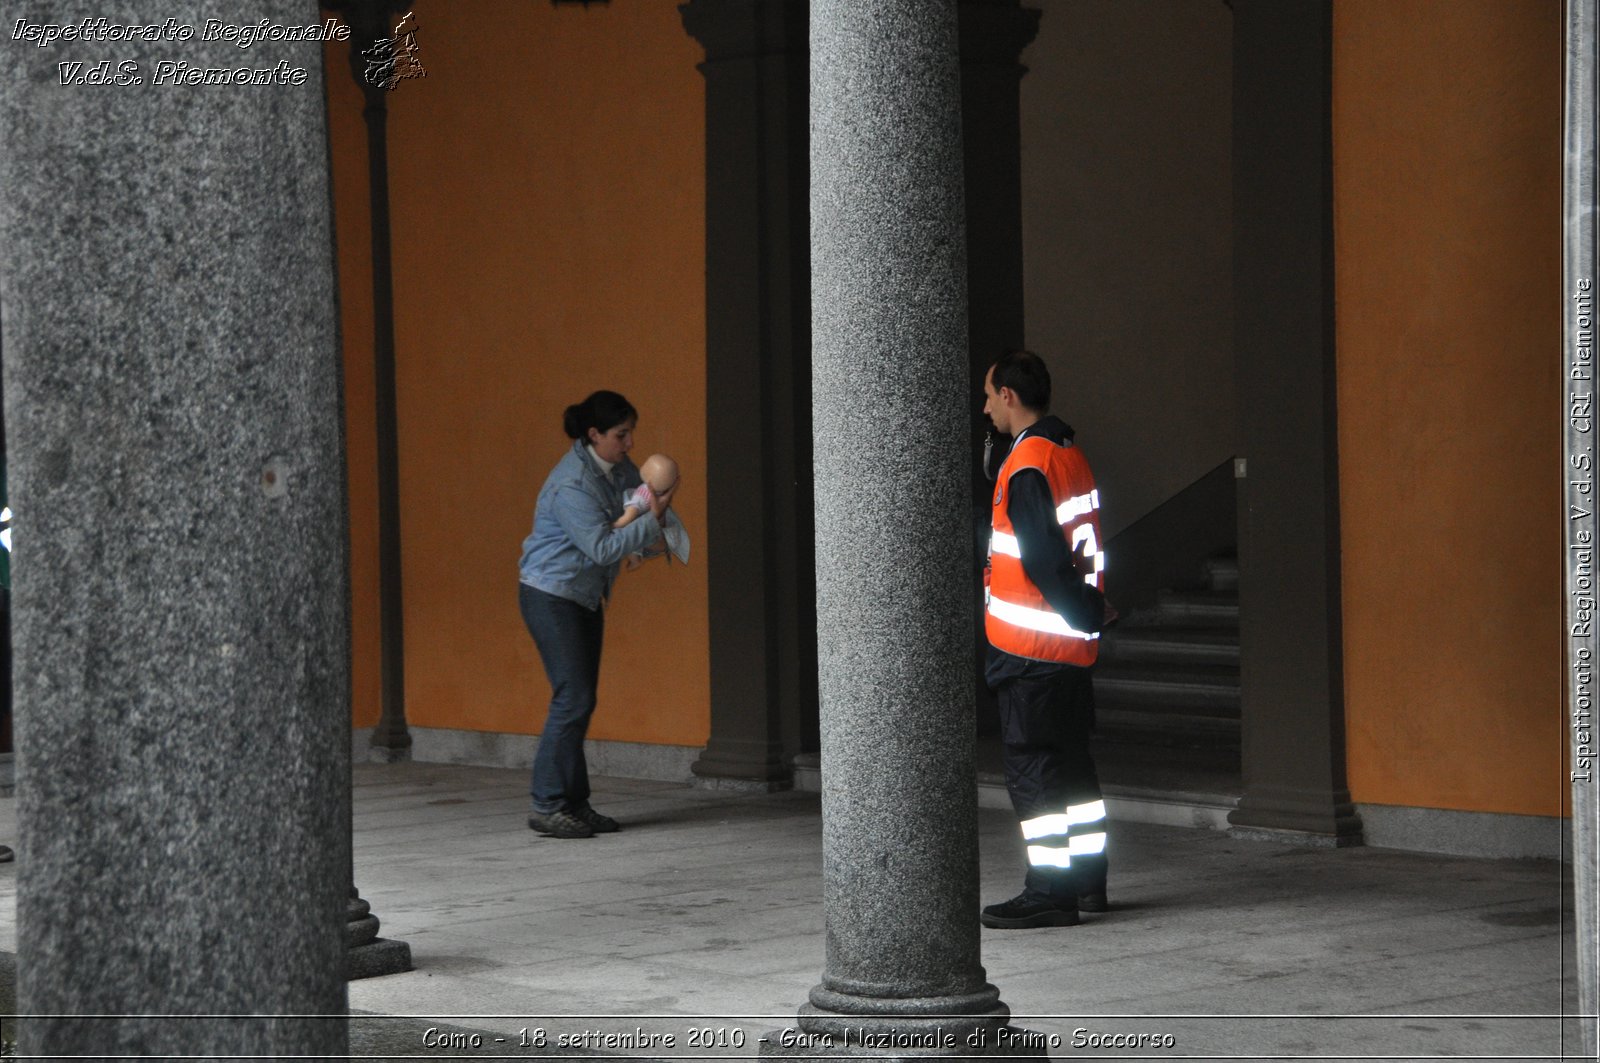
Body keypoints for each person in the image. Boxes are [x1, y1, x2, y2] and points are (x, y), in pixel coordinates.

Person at [978, 350, 1113, 929]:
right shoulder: (1068, 453)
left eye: (988, 397)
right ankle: (1087, 885)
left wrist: (1082, 609)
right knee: (1075, 770)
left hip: (1030, 650)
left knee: (1035, 772)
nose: (985, 409)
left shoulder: (1026, 462)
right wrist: (1088, 617)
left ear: (1009, 395)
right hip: (1069, 649)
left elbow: (1042, 557)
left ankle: (1050, 891)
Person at [518, 391, 682, 839]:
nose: (630, 444)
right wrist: (654, 517)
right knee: (573, 699)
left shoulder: (617, 468)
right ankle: (547, 805)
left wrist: (657, 508)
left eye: (631, 433)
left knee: (579, 699)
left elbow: (636, 503)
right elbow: (603, 546)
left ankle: (574, 803)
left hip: (584, 595)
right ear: (594, 435)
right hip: (551, 595)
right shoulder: (571, 484)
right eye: (620, 434)